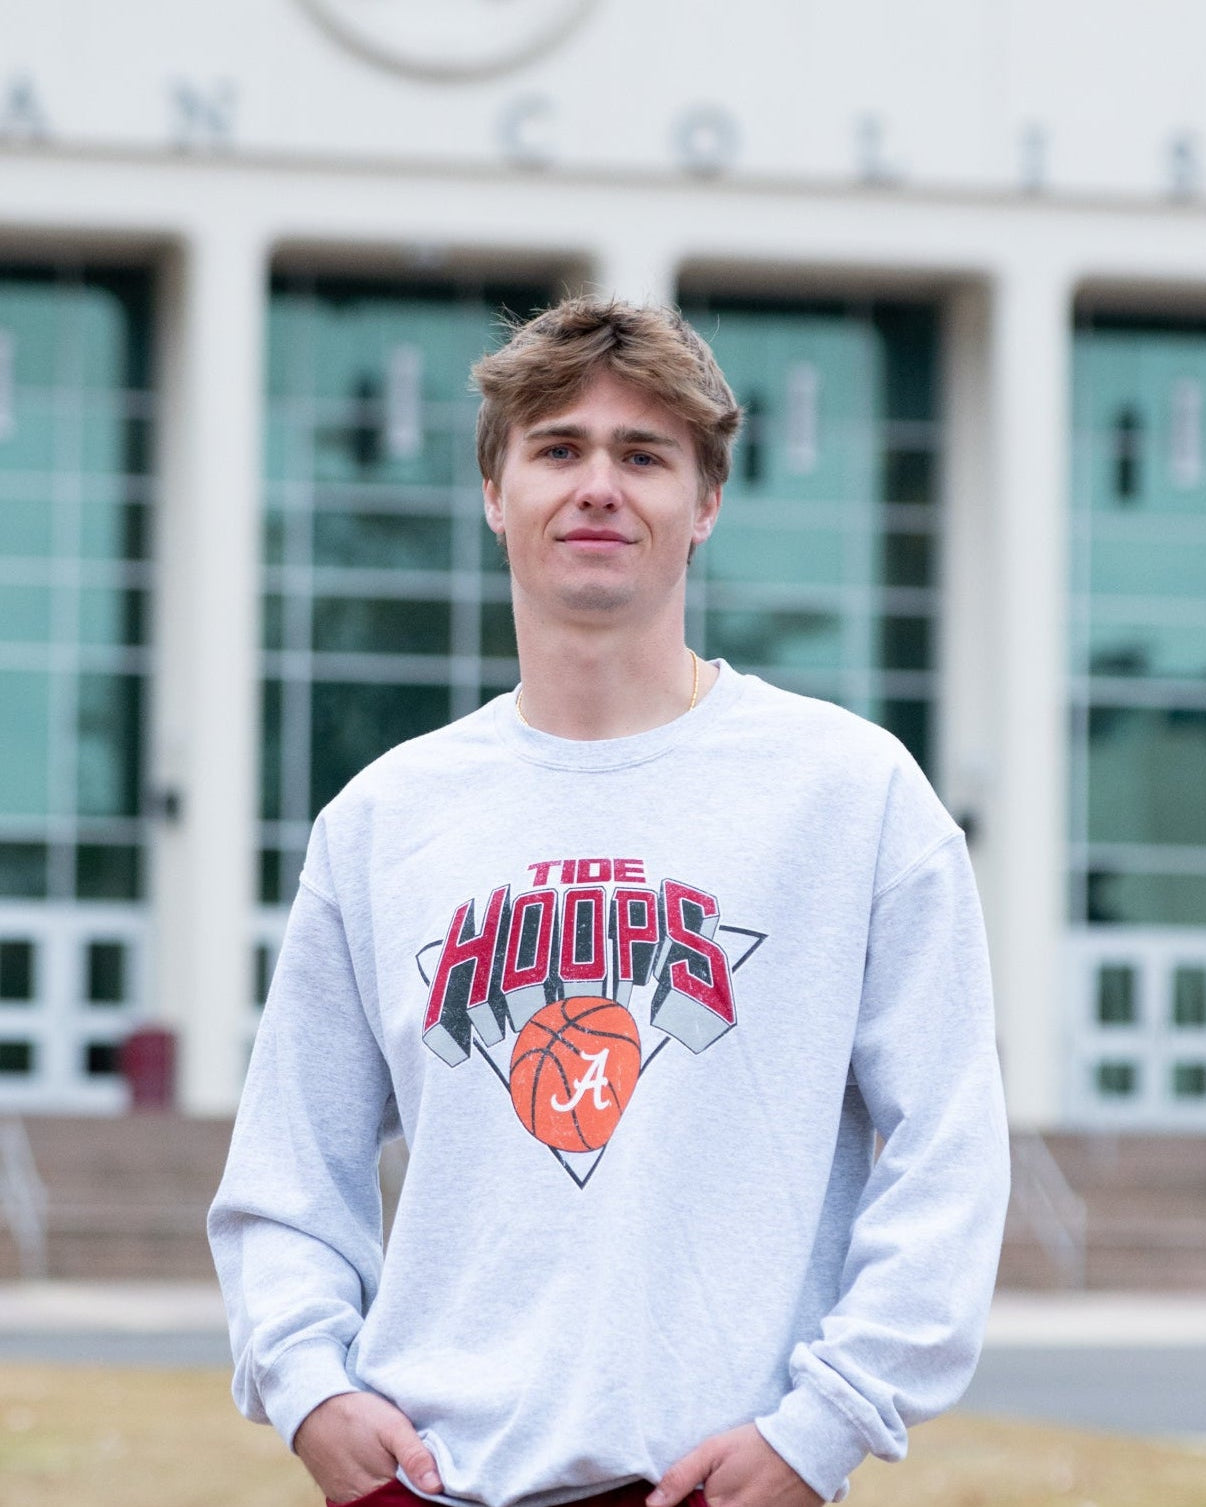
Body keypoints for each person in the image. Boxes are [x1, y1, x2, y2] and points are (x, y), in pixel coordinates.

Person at [208, 297, 1010, 1507]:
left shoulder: (850, 796)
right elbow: (285, 1173)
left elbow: (951, 1147)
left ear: (707, 505)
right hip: (433, 1480)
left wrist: (829, 1421)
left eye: (643, 456)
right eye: (558, 448)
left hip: (711, 1479)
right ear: (496, 492)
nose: (598, 486)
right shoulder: (384, 819)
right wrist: (308, 1384)